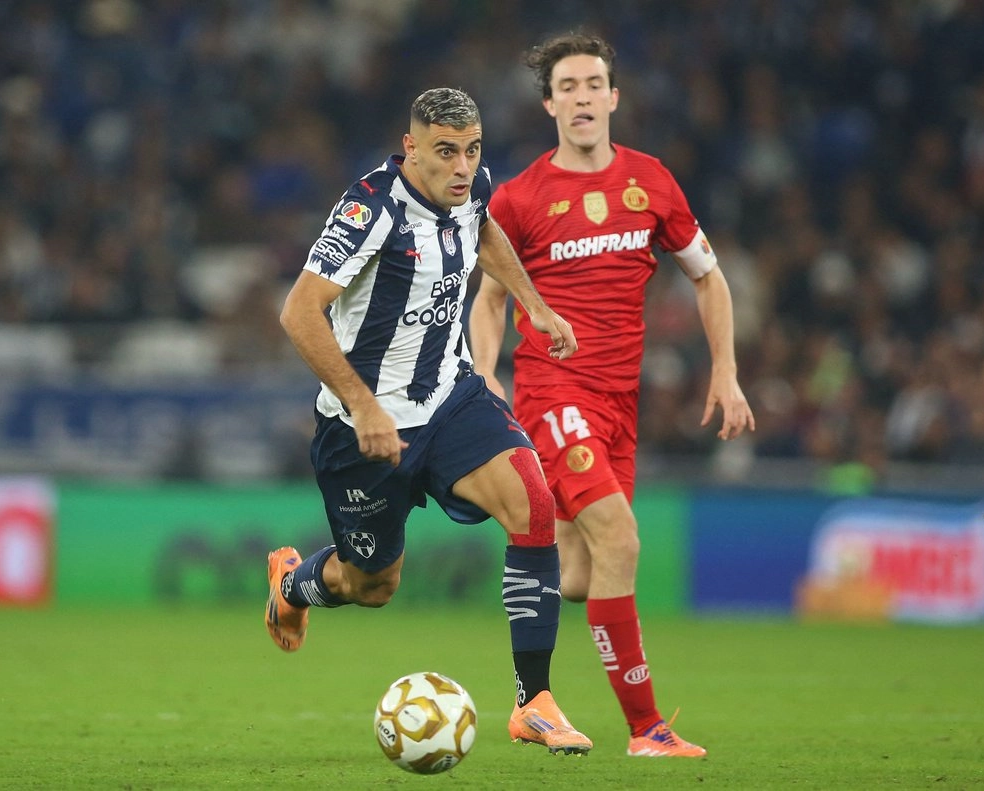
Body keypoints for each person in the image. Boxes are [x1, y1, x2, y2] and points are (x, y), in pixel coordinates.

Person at [266, 87, 592, 755]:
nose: (462, 168)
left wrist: (534, 305)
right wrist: (363, 405)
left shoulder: (471, 189)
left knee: (533, 502)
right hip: (363, 431)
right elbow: (299, 312)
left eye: (472, 151)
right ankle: (293, 583)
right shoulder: (369, 209)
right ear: (411, 148)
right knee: (373, 584)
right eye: (446, 152)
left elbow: (486, 232)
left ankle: (534, 701)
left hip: (450, 400)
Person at [469, 34, 755, 757]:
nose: (583, 96)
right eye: (568, 86)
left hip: (618, 403)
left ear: (615, 97)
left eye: (594, 83)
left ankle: (525, 567)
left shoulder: (651, 182)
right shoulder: (520, 196)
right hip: (551, 391)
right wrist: (484, 374)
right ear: (549, 103)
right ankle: (646, 729)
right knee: (623, 538)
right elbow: (491, 298)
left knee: (579, 572)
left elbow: (708, 277)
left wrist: (725, 371)